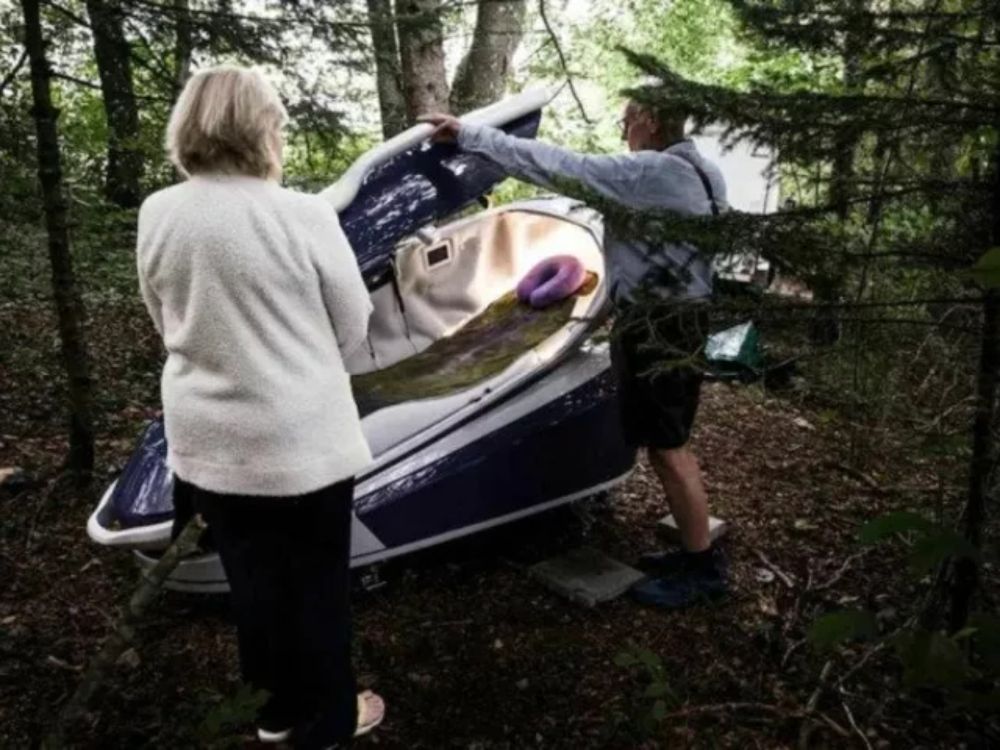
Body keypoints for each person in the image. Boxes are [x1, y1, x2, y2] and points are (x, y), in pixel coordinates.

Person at [138, 65, 385, 747]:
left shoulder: (158, 211)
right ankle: (331, 720)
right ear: (263, 128)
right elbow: (353, 322)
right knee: (318, 591)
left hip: (209, 441)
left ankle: (273, 716)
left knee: (252, 588)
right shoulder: (302, 215)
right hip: (300, 437)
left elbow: (165, 320)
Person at [419, 98, 728, 609]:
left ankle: (703, 568)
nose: (624, 129)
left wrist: (471, 135)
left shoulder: (651, 171)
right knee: (666, 442)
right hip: (681, 318)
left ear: (651, 119)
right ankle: (694, 553)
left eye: (627, 119)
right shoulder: (704, 171)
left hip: (660, 325)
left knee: (670, 448)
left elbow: (558, 166)